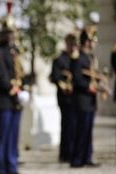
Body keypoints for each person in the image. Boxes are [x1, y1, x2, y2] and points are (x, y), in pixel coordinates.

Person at [0, 27, 26, 174]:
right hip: (3, 100)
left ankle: (12, 166)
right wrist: (13, 88)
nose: (11, 36)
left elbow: (21, 72)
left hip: (15, 99)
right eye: (8, 33)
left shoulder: (14, 51)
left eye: (12, 33)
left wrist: (24, 88)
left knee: (13, 136)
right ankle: (0, 168)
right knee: (2, 136)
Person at [69, 28, 102, 168]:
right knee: (80, 130)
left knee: (88, 130)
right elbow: (77, 79)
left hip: (90, 99)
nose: (94, 44)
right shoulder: (78, 57)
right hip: (81, 99)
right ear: (86, 42)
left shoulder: (91, 58)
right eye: (92, 41)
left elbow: (93, 76)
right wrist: (89, 86)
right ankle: (77, 158)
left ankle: (87, 157)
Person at [50, 33, 78, 163]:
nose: (72, 46)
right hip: (65, 97)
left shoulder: (76, 59)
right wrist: (65, 86)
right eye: (70, 43)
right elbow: (55, 77)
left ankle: (74, 151)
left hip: (76, 96)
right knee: (67, 125)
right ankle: (65, 153)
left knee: (75, 126)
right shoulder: (59, 59)